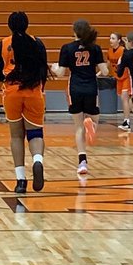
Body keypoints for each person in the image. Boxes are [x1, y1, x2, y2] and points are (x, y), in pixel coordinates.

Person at [0, 11, 49, 193]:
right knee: (35, 133)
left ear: (9, 25)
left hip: (12, 92)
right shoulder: (37, 43)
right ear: (27, 24)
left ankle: (20, 180)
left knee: (16, 136)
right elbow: (43, 71)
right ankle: (37, 160)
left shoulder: (3, 44)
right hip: (33, 91)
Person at [51, 19, 110, 176]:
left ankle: (82, 163)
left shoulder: (67, 48)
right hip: (91, 87)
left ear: (74, 32)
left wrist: (55, 68)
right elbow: (105, 72)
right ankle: (92, 126)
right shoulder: (95, 48)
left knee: (78, 128)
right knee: (94, 118)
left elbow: (61, 73)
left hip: (75, 88)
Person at [107, 32, 133, 133]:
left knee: (124, 98)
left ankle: (127, 121)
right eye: (110, 38)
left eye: (113, 38)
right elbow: (108, 65)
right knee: (126, 100)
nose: (110, 40)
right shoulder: (109, 51)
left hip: (126, 76)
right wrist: (99, 73)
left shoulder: (123, 50)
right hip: (118, 78)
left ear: (119, 40)